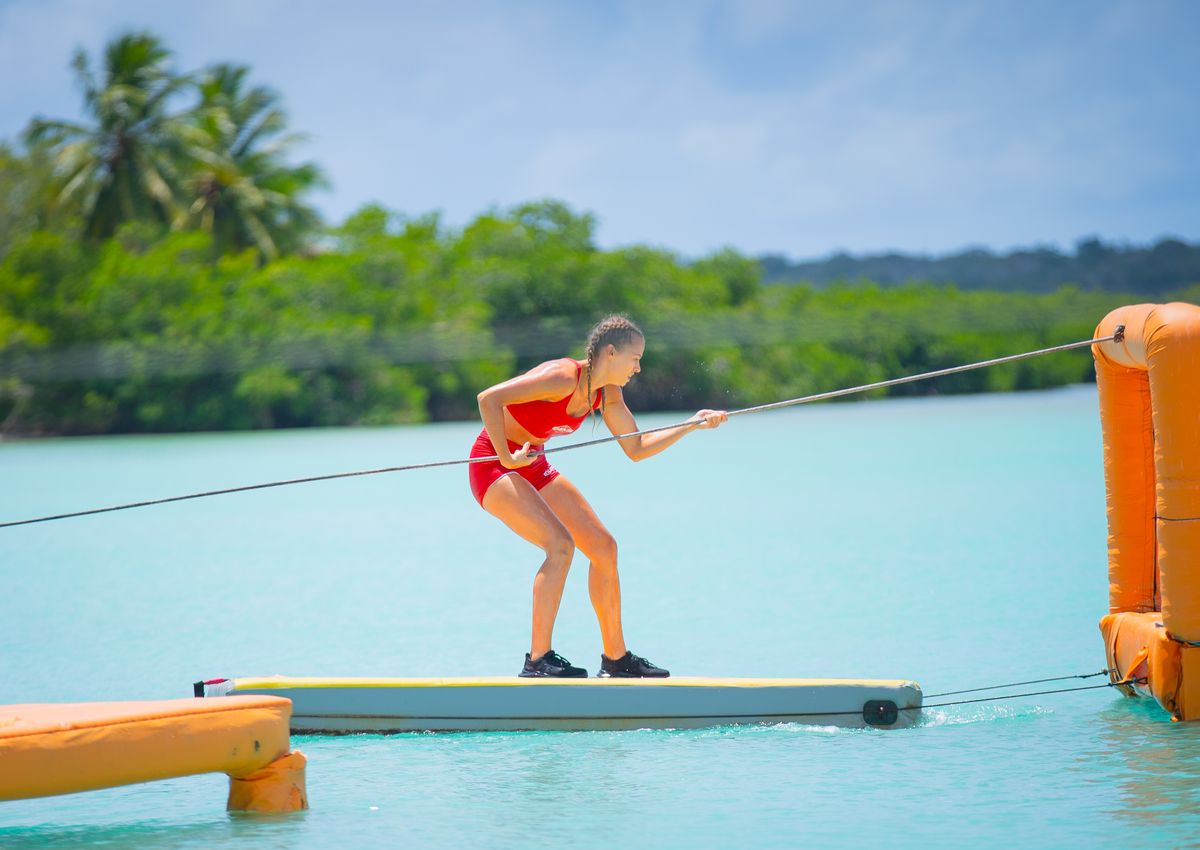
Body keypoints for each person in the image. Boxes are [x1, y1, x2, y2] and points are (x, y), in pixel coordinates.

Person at [471, 314, 728, 678]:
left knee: (604, 548)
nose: (638, 368)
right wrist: (507, 456)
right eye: (635, 358)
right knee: (560, 546)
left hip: (532, 462)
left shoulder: (607, 394)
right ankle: (537, 661)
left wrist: (691, 424)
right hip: (493, 464)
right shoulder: (562, 377)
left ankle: (616, 659)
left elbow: (636, 448)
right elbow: (488, 399)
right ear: (611, 352)